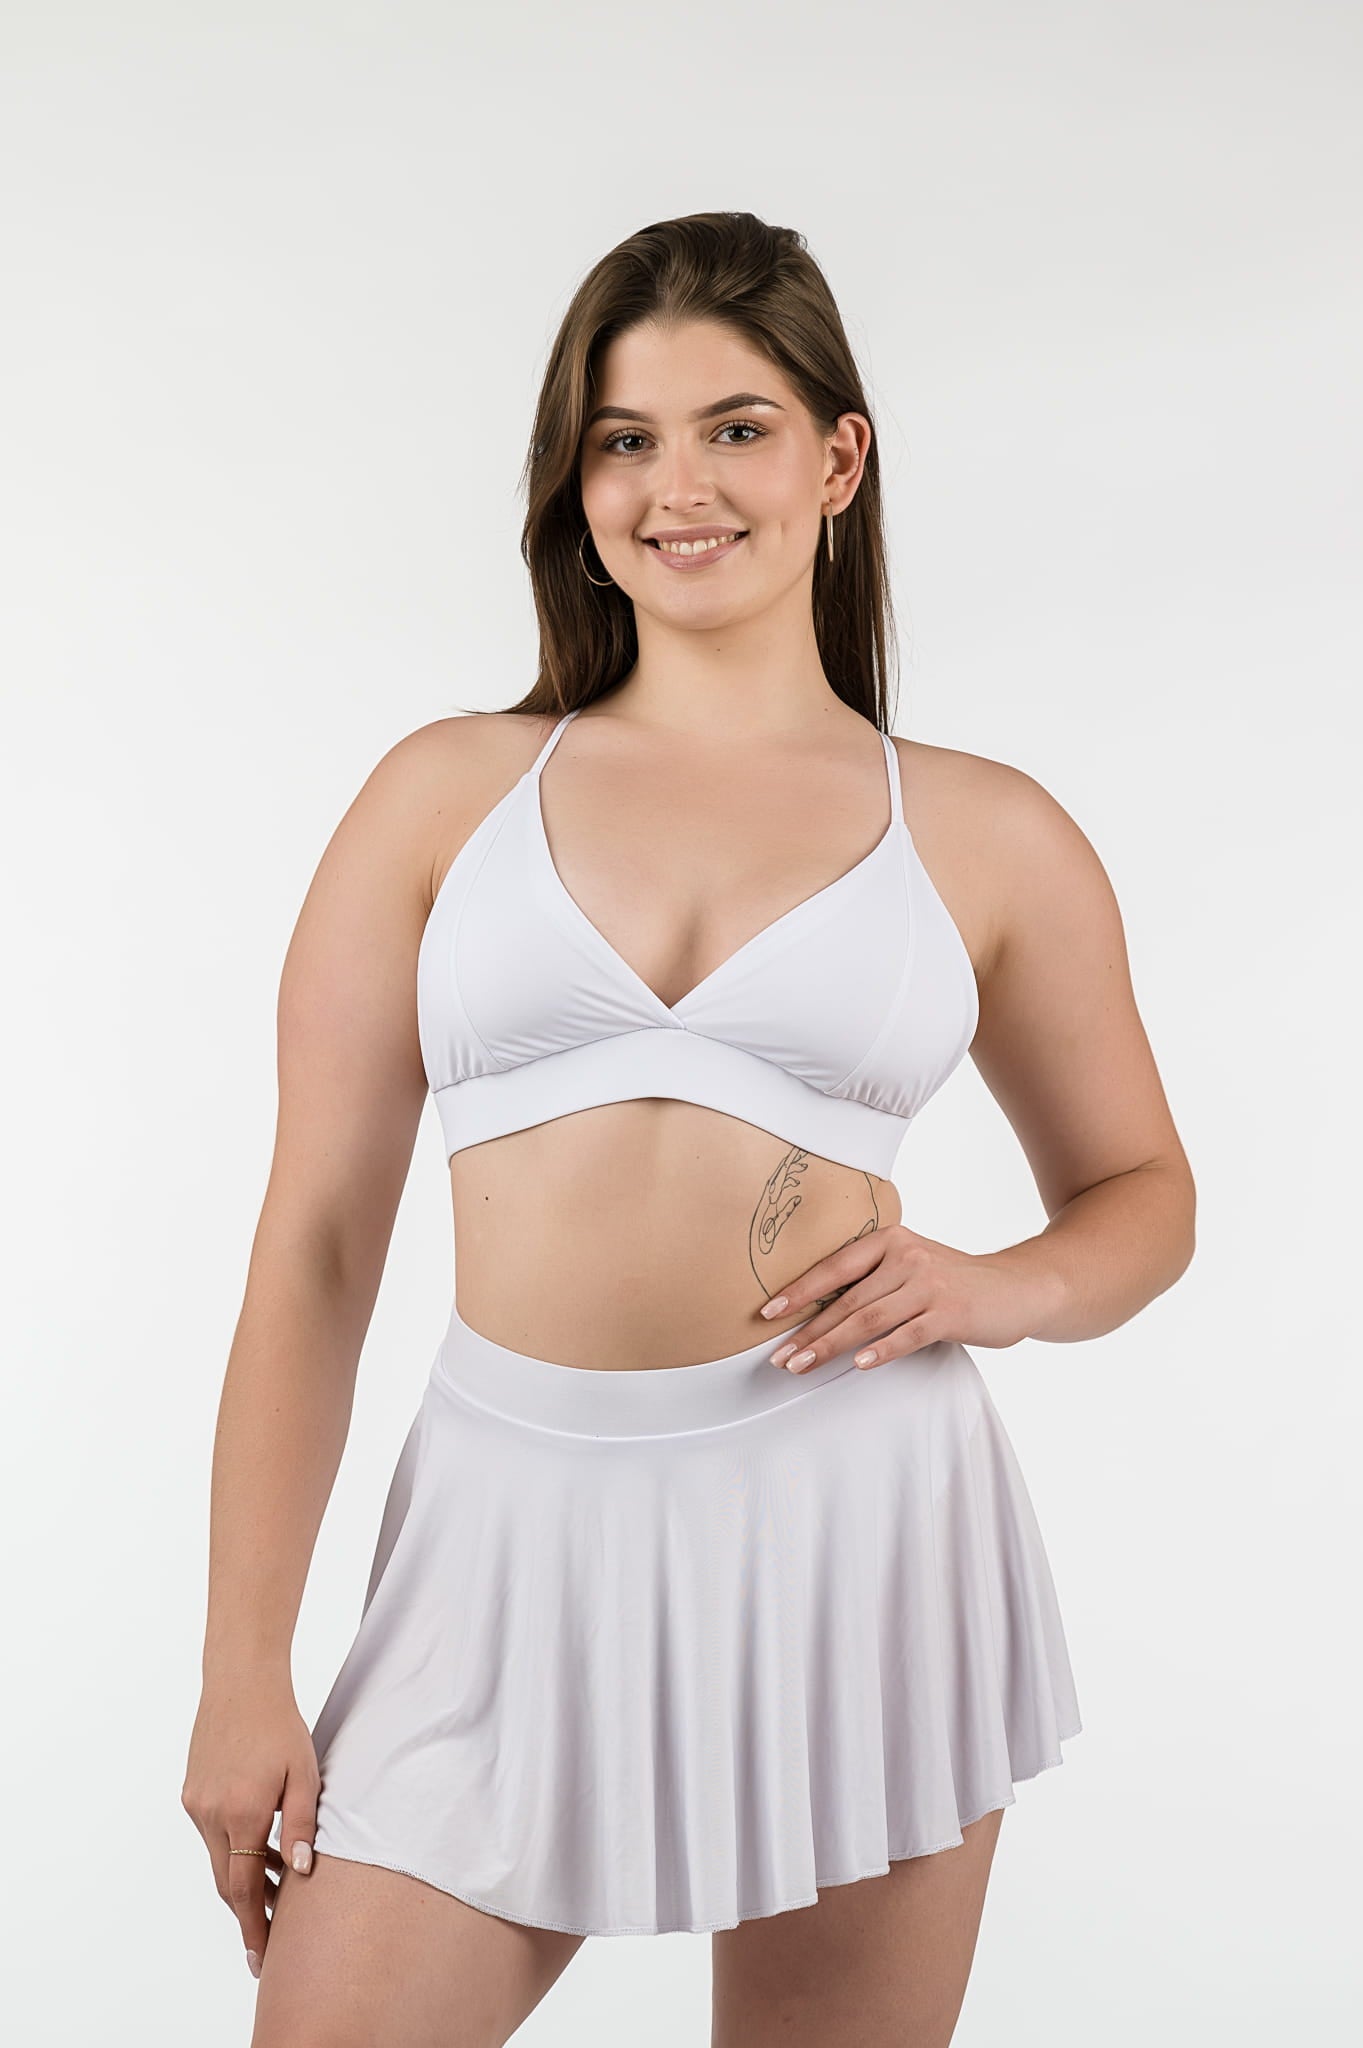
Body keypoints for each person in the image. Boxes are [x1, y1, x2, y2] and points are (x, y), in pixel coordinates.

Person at [183, 211, 1195, 2048]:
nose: (679, 488)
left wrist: (997, 1285)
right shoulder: (444, 793)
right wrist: (241, 1668)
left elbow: (1143, 1194)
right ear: (576, 484)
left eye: (736, 428)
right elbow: (315, 1247)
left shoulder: (985, 831)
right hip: (498, 1547)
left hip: (859, 1541)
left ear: (837, 459)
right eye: (624, 439)